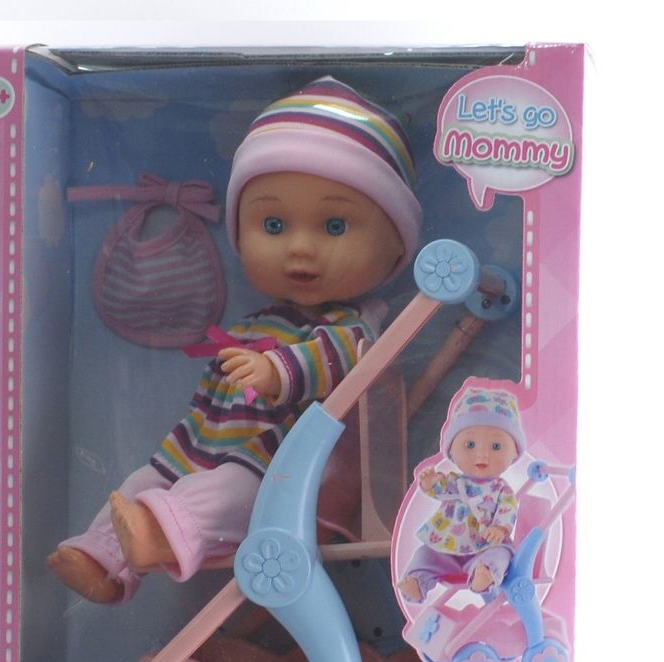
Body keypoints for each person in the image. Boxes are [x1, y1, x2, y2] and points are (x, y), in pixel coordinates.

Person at [48, 77, 422, 603]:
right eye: (274, 224)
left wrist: (277, 371)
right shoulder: (255, 323)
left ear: (395, 249)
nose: (300, 248)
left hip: (283, 469)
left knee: (226, 494)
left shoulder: (354, 327)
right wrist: (189, 434)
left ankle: (156, 537)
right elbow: (214, 391)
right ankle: (101, 560)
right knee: (144, 481)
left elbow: (334, 360)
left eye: (335, 226)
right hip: (210, 443)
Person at [396, 387, 524, 603]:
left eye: (496, 446)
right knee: (425, 554)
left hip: (485, 546)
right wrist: (430, 482)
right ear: (451, 451)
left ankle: (486, 574)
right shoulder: (454, 482)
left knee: (501, 555)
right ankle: (416, 582)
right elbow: (439, 490)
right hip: (449, 548)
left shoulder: (501, 489)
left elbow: (507, 510)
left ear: (514, 453)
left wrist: (499, 528)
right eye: (470, 444)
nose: (482, 454)